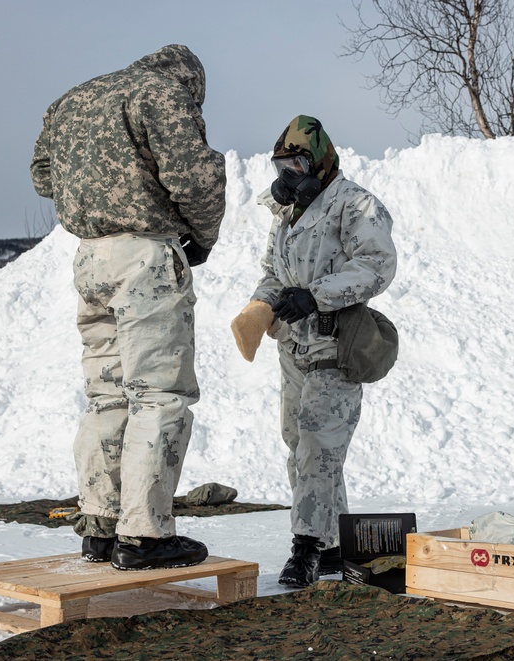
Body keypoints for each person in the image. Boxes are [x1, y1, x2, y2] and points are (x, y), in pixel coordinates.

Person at [30, 44, 226, 570]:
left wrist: (97, 197)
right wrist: (201, 237)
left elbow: (42, 174)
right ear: (191, 82)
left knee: (106, 395)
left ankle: (100, 525)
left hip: (90, 259)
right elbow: (197, 177)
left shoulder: (74, 99)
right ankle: (145, 535)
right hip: (144, 257)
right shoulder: (163, 94)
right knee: (158, 395)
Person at [231, 115, 397, 587]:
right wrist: (261, 307)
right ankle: (332, 546)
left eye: (298, 163)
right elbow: (272, 271)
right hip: (294, 347)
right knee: (299, 445)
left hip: (335, 344)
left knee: (318, 449)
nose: (288, 174)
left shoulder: (354, 204)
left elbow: (377, 265)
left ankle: (304, 548)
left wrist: (316, 294)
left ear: (320, 162)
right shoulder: (286, 215)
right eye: (281, 165)